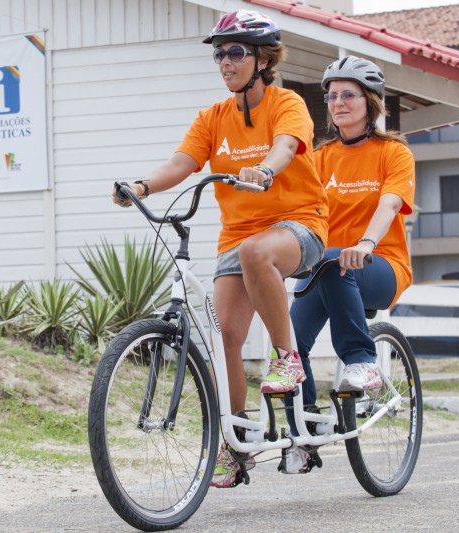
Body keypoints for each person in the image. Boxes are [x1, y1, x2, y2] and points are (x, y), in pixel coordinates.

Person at [111, 10, 328, 488]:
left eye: (235, 52)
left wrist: (266, 169)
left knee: (257, 253)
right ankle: (237, 444)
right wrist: (141, 187)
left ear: (263, 59)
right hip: (239, 237)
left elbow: (287, 146)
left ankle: (286, 358)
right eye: (219, 53)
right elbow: (183, 163)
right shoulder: (213, 117)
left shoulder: (286, 103)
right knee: (225, 337)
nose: (224, 62)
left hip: (299, 226)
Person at [284, 56, 416, 467]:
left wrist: (366, 242)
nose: (338, 102)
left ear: (370, 102)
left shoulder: (392, 152)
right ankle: (304, 432)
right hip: (327, 268)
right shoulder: (320, 159)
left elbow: (391, 202)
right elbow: (298, 209)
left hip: (381, 263)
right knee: (287, 345)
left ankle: (361, 360)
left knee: (339, 259)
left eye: (348, 95)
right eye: (332, 96)